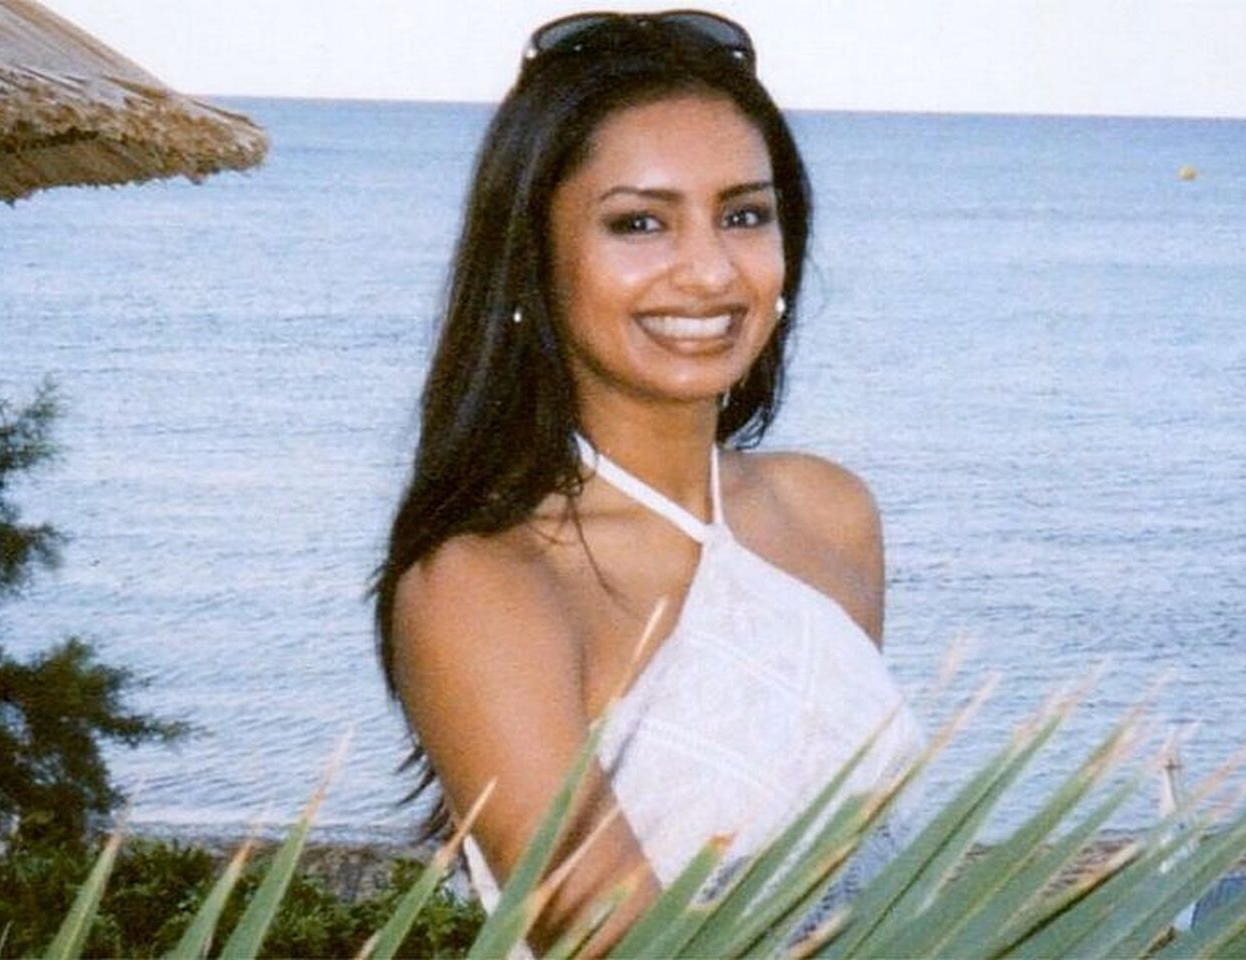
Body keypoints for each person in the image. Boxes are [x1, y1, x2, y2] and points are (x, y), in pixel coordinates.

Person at [373, 10, 922, 952]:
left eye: (745, 215)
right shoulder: (485, 584)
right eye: (639, 223)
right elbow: (623, 945)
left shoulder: (826, 515)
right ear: (532, 260)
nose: (709, 271)